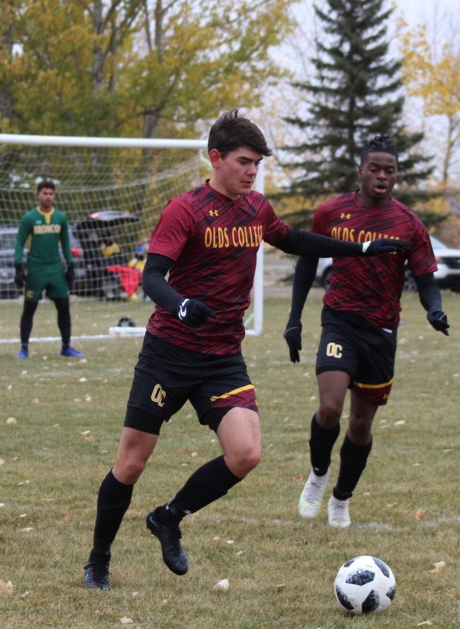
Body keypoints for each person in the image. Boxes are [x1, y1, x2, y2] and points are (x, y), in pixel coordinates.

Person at [81, 109, 410, 590]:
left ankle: (168, 518)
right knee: (130, 464)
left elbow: (295, 239)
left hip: (221, 359)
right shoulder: (185, 209)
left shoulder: (256, 207)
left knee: (246, 453)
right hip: (168, 355)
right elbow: (152, 275)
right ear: (216, 158)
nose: (252, 170)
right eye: (244, 161)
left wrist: (358, 249)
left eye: (257, 162)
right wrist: (180, 304)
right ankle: (99, 560)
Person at [283, 134, 451, 529]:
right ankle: (319, 472)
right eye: (374, 168)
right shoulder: (331, 213)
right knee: (329, 407)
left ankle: (341, 499)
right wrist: (294, 318)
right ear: (361, 171)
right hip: (339, 321)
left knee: (360, 424)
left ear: (395, 176)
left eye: (389, 170)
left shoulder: (408, 223)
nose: (381, 175)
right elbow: (307, 262)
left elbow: (426, 277)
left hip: (381, 331)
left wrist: (435, 309)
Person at [13, 179, 85, 359]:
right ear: (38, 195)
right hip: (35, 270)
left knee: (64, 307)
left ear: (54, 196)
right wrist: (17, 265)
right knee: (29, 308)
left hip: (55, 269)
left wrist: (70, 265)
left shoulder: (60, 217)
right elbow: (20, 241)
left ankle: (66, 347)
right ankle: (24, 349)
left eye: (51, 193)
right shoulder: (29, 218)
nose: (48, 196)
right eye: (44, 193)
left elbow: (66, 242)